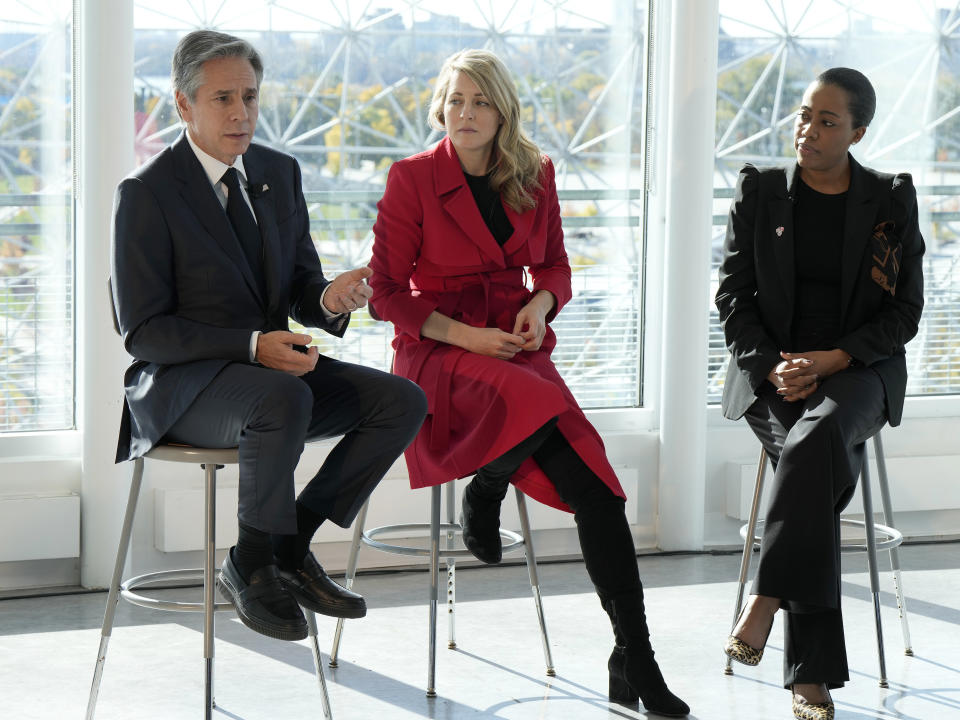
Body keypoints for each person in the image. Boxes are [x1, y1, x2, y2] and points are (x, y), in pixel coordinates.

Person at [367, 49, 689, 717]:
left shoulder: (535, 173)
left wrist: (538, 307)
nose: (465, 112)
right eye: (455, 99)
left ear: (503, 110)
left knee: (600, 492)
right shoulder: (412, 178)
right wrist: (469, 337)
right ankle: (486, 487)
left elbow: (555, 271)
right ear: (441, 106)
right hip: (439, 354)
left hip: (515, 350)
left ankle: (635, 656)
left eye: (479, 101)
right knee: (536, 403)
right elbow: (389, 296)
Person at [111, 30, 427, 642]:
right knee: (282, 397)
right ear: (184, 105)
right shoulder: (146, 194)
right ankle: (252, 561)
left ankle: (288, 545)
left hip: (272, 384)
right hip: (183, 388)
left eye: (250, 97)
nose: (241, 113)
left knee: (400, 401)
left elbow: (302, 283)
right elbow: (145, 332)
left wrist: (330, 298)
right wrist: (254, 345)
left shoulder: (278, 172)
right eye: (223, 98)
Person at [716, 68, 924, 720]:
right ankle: (811, 680)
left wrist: (836, 356)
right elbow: (733, 300)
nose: (807, 130)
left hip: (859, 367)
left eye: (827, 121)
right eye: (804, 115)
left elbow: (905, 314)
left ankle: (765, 603)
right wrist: (774, 366)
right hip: (775, 370)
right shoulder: (762, 192)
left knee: (814, 446)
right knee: (817, 458)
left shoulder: (889, 199)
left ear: (858, 131)